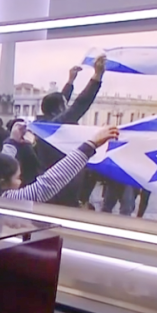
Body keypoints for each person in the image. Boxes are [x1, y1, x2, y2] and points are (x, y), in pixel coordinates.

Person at [35, 56, 106, 206]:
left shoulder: (42, 126)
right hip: (62, 188)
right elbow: (79, 105)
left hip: (50, 182)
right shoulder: (56, 126)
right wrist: (96, 77)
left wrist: (70, 81)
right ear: (60, 109)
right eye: (64, 105)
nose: (67, 107)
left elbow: (59, 102)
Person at [0, 126, 118, 203]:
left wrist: (12, 141)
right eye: (17, 178)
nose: (20, 181)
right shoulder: (5, 199)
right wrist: (90, 145)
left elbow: (0, 166)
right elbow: (47, 184)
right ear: (2, 183)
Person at [1, 120, 41, 184]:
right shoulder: (10, 145)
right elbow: (6, 164)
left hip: (29, 181)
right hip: (23, 182)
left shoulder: (28, 144)